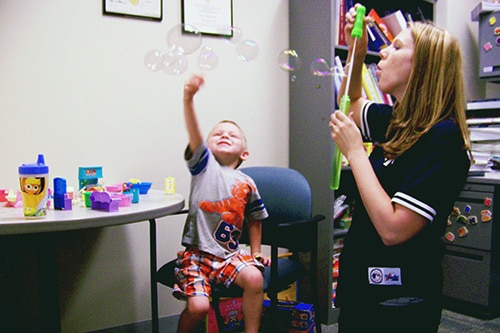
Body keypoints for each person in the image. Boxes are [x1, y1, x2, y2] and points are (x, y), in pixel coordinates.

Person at [329, 5, 471, 332]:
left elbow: (393, 230)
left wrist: (356, 152)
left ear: (423, 66)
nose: (384, 51)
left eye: (396, 47)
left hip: (400, 299)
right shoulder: (401, 122)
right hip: (363, 285)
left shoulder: (443, 138)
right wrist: (357, 46)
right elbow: (350, 103)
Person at [174, 74, 270, 333]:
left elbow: (255, 218)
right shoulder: (203, 167)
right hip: (197, 254)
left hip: (229, 255)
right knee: (198, 308)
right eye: (217, 134)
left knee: (254, 277)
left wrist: (256, 251)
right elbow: (194, 132)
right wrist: (188, 99)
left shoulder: (248, 181)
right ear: (205, 145)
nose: (224, 136)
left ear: (244, 154)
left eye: (232, 135)